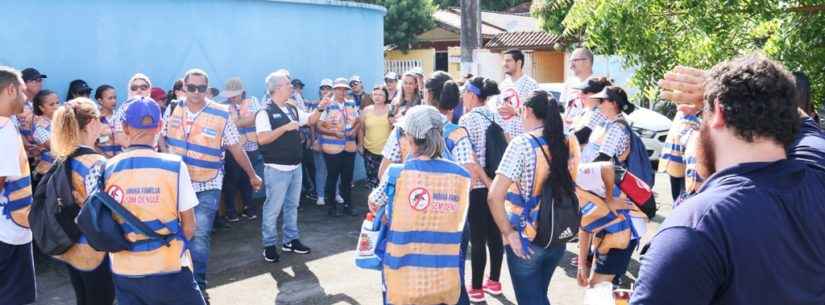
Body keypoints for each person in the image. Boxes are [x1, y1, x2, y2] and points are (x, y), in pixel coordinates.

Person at [632, 53, 825, 305]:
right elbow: (807, 127)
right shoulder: (816, 179)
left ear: (719, 113)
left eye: (702, 114)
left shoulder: (695, 228)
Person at [160, 69, 263, 296]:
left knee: (200, 233)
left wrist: (252, 175)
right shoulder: (173, 108)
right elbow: (161, 134)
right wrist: (165, 153)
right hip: (176, 183)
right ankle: (178, 281)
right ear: (184, 87)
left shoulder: (221, 113)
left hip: (208, 183)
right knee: (176, 233)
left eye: (201, 88)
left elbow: (235, 146)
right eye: (191, 87)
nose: (196, 92)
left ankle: (198, 287)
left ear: (207, 88)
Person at [101, 98, 205, 305]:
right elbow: (190, 226)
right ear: (160, 125)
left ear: (124, 127)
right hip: (169, 266)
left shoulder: (107, 169)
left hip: (125, 269)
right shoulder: (174, 166)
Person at [368, 105, 471, 305]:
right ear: (440, 134)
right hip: (444, 275)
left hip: (403, 275)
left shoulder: (396, 173)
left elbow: (374, 202)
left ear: (410, 137)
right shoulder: (461, 175)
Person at [488, 91, 580, 305]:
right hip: (559, 232)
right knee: (538, 296)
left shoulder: (522, 144)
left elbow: (494, 196)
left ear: (528, 111)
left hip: (526, 237)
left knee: (532, 300)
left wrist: (509, 234)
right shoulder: (569, 141)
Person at [575, 86, 648, 290]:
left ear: (614, 104)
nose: (598, 104)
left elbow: (603, 163)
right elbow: (585, 225)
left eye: (602, 101)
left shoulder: (617, 128)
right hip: (612, 216)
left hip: (623, 221)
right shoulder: (607, 124)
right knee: (603, 289)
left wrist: (607, 197)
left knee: (600, 288)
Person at [255, 70, 327, 263]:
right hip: (276, 169)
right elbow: (262, 139)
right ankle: (269, 245)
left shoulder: (292, 108)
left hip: (295, 167)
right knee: (273, 208)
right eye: (288, 84)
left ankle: (290, 240)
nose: (292, 87)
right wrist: (284, 128)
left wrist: (320, 108)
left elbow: (311, 120)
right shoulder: (265, 112)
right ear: (278, 88)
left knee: (292, 206)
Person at [49, 98, 115, 305]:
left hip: (70, 243)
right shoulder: (96, 162)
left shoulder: (64, 157)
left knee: (84, 298)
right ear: (91, 122)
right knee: (101, 298)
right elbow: (102, 209)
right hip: (94, 248)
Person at [458, 76, 506, 302]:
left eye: (465, 92)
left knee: (477, 238)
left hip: (477, 186)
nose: (462, 96)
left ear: (472, 94)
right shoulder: (496, 116)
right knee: (495, 235)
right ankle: (494, 282)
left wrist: (486, 182)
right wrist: (494, 184)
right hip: (498, 184)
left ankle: (476, 287)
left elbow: (470, 157)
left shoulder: (467, 119)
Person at [0, 66, 36, 305]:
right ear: (11, 89)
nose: (26, 98)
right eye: (23, 92)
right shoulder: (3, 131)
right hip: (8, 233)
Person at [317, 78, 360, 217]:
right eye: (338, 88)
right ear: (334, 90)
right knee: (332, 177)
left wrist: (354, 130)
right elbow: (318, 125)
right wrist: (333, 133)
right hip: (332, 147)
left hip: (349, 146)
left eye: (344, 89)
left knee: (347, 178)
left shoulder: (351, 103)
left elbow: (358, 121)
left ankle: (348, 205)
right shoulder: (327, 105)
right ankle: (331, 207)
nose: (341, 91)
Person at [221, 78, 261, 222]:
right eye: (230, 95)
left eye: (235, 95)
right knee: (232, 178)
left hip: (251, 147)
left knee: (249, 177)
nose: (231, 98)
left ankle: (248, 207)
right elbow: (248, 120)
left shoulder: (253, 101)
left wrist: (235, 123)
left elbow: (255, 119)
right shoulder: (222, 106)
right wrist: (243, 121)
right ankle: (231, 210)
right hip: (233, 149)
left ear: (242, 92)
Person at [657, 107, 701, 201]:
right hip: (675, 163)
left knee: (682, 198)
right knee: (678, 197)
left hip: (684, 165)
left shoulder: (693, 118)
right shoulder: (680, 114)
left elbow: (682, 140)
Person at [498, 48, 539, 137]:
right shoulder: (503, 85)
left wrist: (514, 111)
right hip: (504, 137)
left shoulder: (531, 84)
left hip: (524, 137)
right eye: (504, 61)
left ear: (519, 63)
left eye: (508, 61)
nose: (504, 64)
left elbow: (536, 112)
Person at [358, 85, 392, 190]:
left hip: (387, 152)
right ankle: (373, 204)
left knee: (386, 180)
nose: (377, 97)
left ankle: (386, 205)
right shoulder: (366, 110)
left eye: (380, 94)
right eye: (375, 94)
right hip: (370, 151)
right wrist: (360, 145)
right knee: (372, 181)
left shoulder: (391, 109)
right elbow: (361, 129)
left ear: (386, 96)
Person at [113, 73, 153, 148]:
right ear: (130, 90)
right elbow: (119, 136)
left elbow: (158, 133)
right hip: (130, 153)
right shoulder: (123, 109)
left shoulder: (154, 108)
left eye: (143, 87)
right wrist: (139, 150)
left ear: (149, 89)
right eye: (134, 88)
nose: (139, 90)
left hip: (151, 153)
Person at [17, 68, 46, 158]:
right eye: (36, 80)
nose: (40, 83)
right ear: (23, 83)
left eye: (40, 80)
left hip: (40, 153)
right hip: (22, 154)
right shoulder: (15, 104)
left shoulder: (40, 103)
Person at [561, 47, 595, 119]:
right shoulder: (569, 83)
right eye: (570, 61)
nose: (571, 66)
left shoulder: (597, 85)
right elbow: (564, 108)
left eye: (574, 61)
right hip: (568, 129)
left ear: (587, 62)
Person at [32, 89, 59, 177]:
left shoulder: (60, 121)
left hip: (59, 171)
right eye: (51, 104)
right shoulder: (39, 127)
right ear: (41, 108)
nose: (56, 107)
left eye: (58, 102)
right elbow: (56, 147)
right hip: (46, 174)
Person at [95, 85, 121, 157]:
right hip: (102, 161)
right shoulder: (95, 119)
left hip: (119, 161)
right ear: (100, 101)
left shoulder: (120, 117)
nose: (114, 101)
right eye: (110, 98)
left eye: (115, 98)